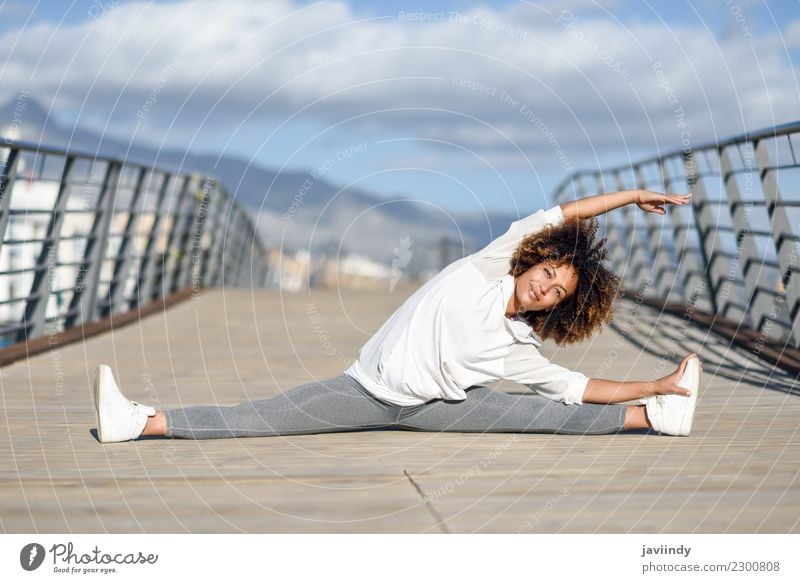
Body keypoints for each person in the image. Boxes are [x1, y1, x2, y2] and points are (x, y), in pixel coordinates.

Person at [93, 189, 701, 444]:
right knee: (261, 417)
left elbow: (581, 386)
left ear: (561, 307)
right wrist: (628, 196)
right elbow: (561, 212)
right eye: (547, 273)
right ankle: (138, 422)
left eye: (559, 292)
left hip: (443, 407)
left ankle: (657, 414)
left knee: (547, 413)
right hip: (366, 392)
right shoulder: (487, 266)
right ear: (530, 262)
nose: (546, 287)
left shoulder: (518, 344)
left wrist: (656, 381)